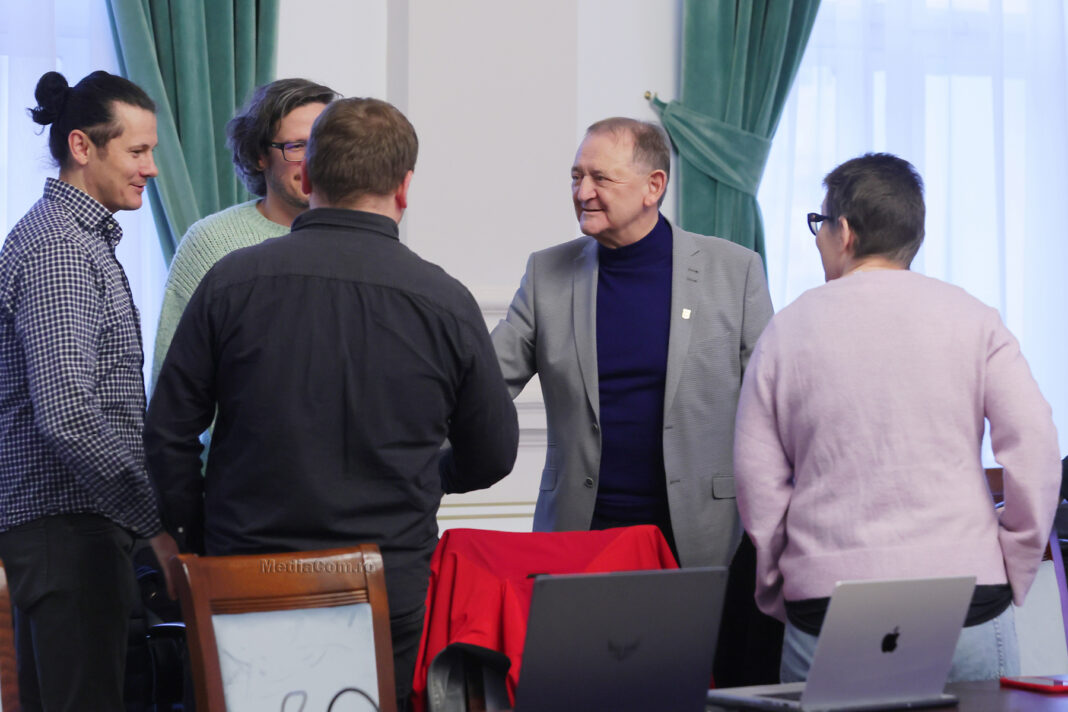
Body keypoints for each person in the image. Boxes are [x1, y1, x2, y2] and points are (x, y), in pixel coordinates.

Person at [145, 97, 519, 710]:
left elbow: (168, 432)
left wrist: (194, 538)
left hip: (244, 577)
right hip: (386, 583)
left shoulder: (231, 282)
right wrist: (428, 475)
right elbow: (493, 455)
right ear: (404, 187)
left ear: (310, 175)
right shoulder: (445, 302)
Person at [733, 152, 1061, 682]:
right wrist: (1015, 560)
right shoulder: (975, 320)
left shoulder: (786, 331)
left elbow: (757, 480)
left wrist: (783, 578)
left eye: (820, 225)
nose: (818, 239)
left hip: (826, 601)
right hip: (966, 595)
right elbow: (1036, 445)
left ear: (844, 232)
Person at [491, 117, 774, 569]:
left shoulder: (735, 272)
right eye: (577, 177)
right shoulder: (547, 274)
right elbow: (486, 385)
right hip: (581, 533)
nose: (583, 192)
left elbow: (772, 410)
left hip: (701, 537)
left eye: (601, 178)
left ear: (653, 186)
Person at [0, 70, 177, 711]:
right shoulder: (61, 250)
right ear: (82, 146)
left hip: (66, 532)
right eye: (138, 150)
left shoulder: (73, 240)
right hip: (69, 533)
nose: (151, 168)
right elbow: (68, 413)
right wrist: (153, 520)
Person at [151, 78, 338, 385]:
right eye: (296, 146)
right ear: (259, 156)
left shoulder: (356, 243)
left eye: (322, 146)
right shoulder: (210, 243)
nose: (312, 161)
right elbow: (172, 379)